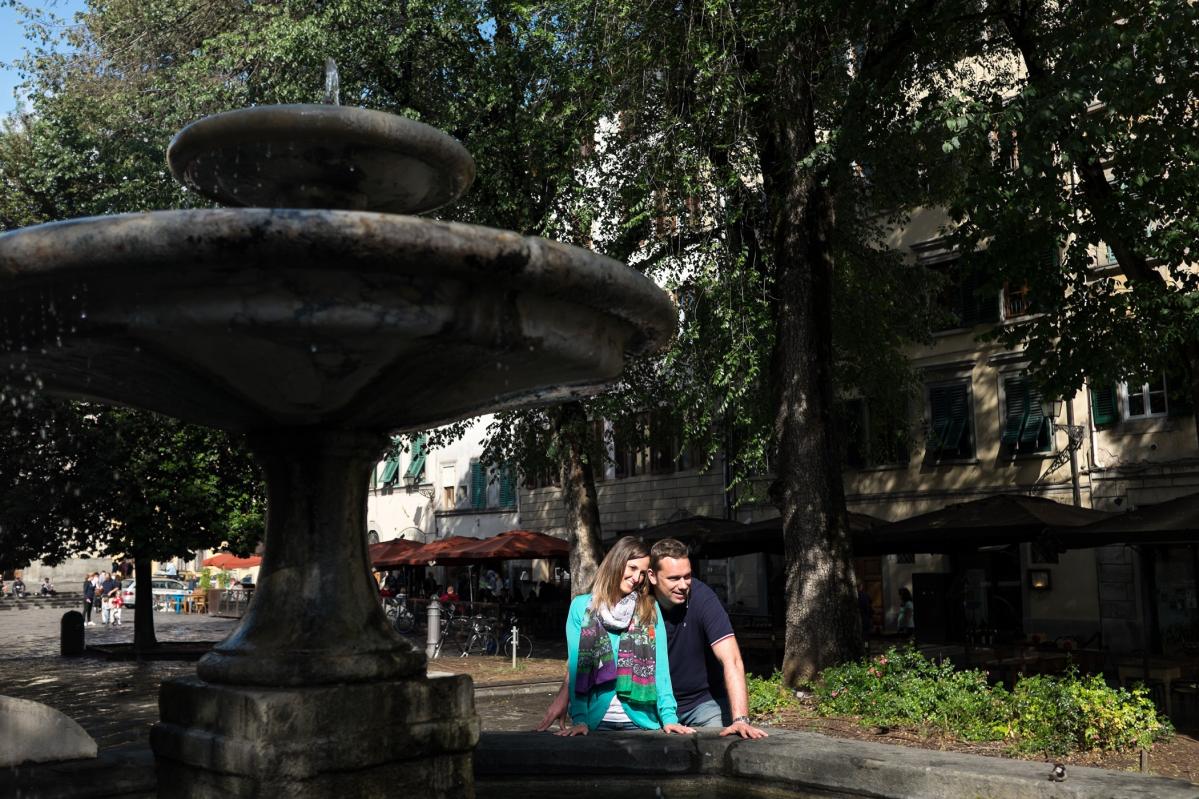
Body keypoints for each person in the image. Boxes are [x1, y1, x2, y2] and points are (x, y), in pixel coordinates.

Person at [540, 538, 767, 740]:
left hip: (681, 707)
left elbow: (728, 660)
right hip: (622, 713)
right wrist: (571, 707)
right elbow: (581, 661)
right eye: (674, 578)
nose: (683, 585)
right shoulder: (602, 603)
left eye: (687, 576)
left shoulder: (662, 605)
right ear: (653, 576)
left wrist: (740, 719)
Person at [557, 536, 689, 736]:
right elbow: (578, 669)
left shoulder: (649, 608)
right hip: (595, 722)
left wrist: (669, 718)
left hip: (641, 722)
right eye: (632, 568)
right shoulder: (581, 607)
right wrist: (580, 719)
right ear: (616, 563)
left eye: (643, 573)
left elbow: (660, 668)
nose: (637, 578)